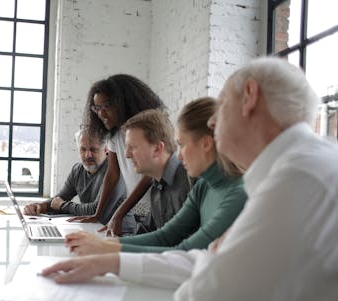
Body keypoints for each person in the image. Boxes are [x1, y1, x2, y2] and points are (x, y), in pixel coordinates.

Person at [41, 57, 338, 301]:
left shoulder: (301, 177)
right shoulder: (299, 169)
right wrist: (110, 261)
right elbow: (200, 261)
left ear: (249, 96)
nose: (212, 122)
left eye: (222, 105)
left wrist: (214, 264)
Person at [66, 97, 246, 255]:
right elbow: (164, 236)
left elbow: (187, 251)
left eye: (182, 145)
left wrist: (107, 248)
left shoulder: (228, 190)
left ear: (206, 143)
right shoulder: (202, 186)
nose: (179, 155)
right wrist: (106, 244)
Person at [72, 74, 170, 236]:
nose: (101, 114)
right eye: (97, 108)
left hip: (157, 205)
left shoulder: (147, 130)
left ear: (123, 103)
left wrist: (119, 214)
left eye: (106, 106)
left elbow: (148, 176)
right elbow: (112, 174)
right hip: (138, 209)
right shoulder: (114, 134)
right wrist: (98, 214)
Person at [23, 129, 123, 223]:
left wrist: (62, 205)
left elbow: (94, 210)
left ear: (106, 149)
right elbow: (61, 197)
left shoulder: (113, 171)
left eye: (93, 149)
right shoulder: (77, 170)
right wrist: (40, 206)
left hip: (118, 233)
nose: (87, 155)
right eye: (83, 149)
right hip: (92, 227)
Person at [123, 108, 191, 232]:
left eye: (132, 147)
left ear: (157, 149)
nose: (127, 155)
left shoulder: (190, 179)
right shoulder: (156, 187)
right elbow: (151, 233)